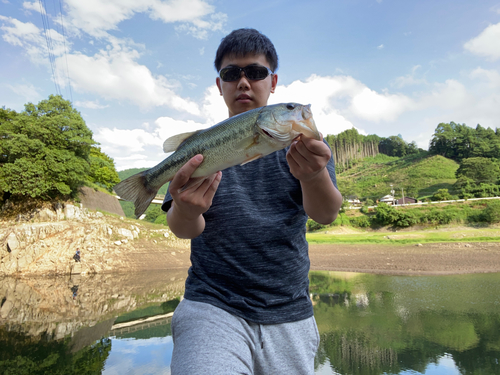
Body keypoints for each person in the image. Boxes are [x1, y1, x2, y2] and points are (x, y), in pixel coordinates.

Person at [162, 28, 342, 374]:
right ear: (220, 85)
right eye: (232, 74)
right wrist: (185, 209)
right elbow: (184, 229)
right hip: (210, 304)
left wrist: (313, 175)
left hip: (289, 311)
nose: (244, 82)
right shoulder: (200, 152)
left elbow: (325, 213)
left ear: (272, 81)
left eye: (255, 72)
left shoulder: (309, 147)